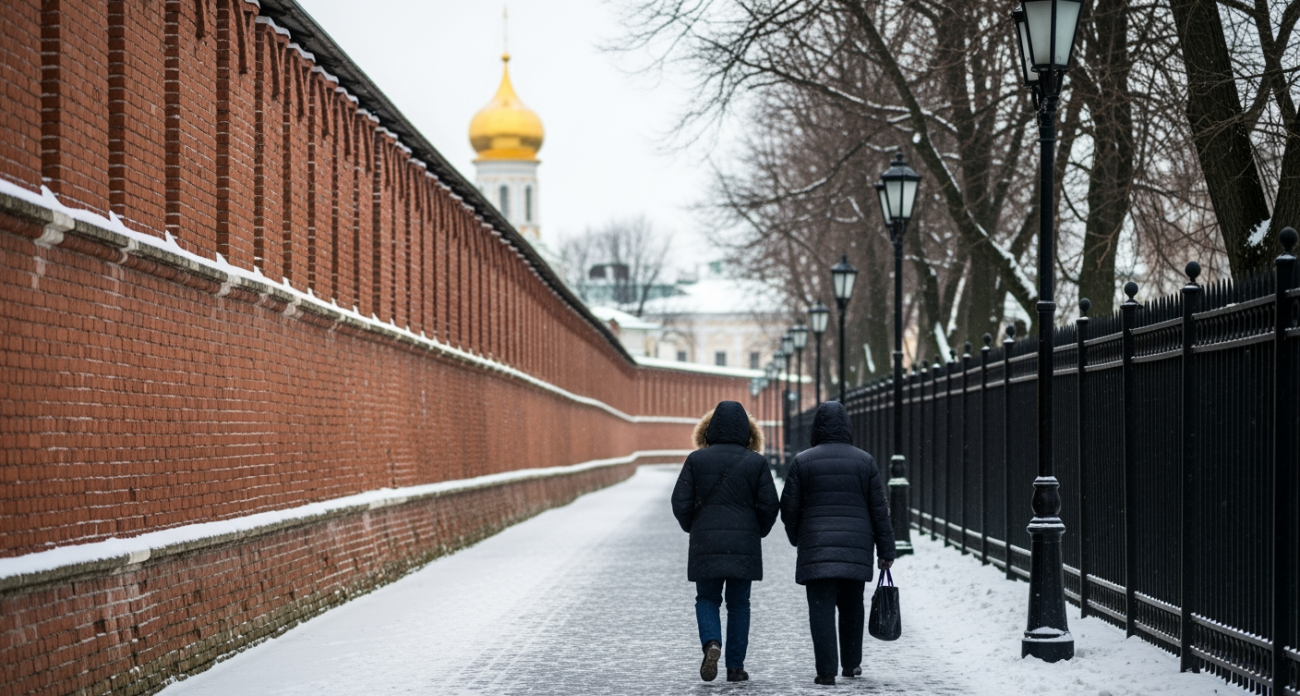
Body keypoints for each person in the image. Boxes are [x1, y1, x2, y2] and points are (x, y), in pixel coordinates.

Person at [779, 400, 896, 686]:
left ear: (816, 427)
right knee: (852, 605)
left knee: (820, 609)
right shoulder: (864, 461)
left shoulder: (802, 461)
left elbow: (789, 508)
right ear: (847, 427)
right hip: (855, 547)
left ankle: (826, 670)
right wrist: (886, 549)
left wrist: (798, 537)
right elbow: (878, 509)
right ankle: (852, 664)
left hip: (816, 546)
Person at [671, 401, 780, 683]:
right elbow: (770, 505)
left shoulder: (696, 460)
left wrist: (693, 527)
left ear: (709, 430)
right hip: (743, 545)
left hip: (705, 542)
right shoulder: (756, 462)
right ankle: (735, 667)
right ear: (748, 431)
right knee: (739, 604)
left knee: (707, 598)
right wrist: (757, 532)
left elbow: (680, 502)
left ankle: (711, 643)